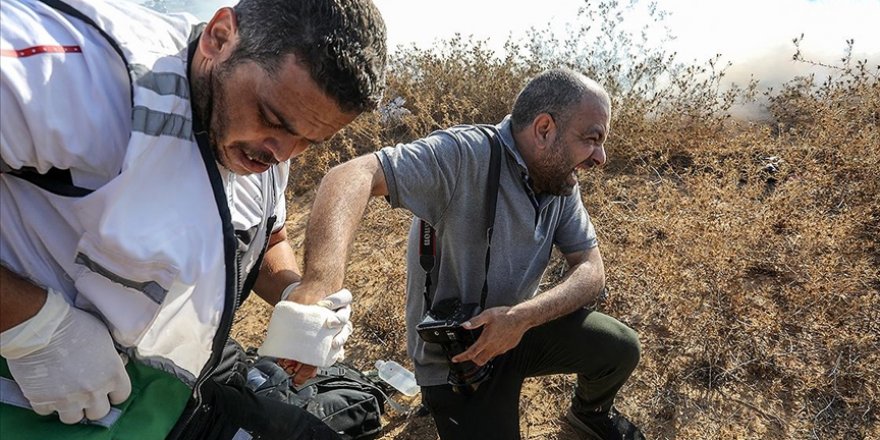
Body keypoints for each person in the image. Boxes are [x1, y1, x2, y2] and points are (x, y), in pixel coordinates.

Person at [0, 0, 386, 438]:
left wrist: (295, 295)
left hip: (175, 379)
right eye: (272, 119)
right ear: (220, 37)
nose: (281, 154)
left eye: (309, 142)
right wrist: (31, 325)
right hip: (43, 395)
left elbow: (264, 233)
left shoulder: (273, 128)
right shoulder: (71, 73)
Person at [293, 68, 644, 439]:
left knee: (620, 348)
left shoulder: (559, 179)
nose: (601, 157)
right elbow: (351, 174)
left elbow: (591, 269)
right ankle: (441, 400)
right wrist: (319, 288)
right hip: (457, 359)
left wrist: (522, 317)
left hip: (517, 331)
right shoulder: (465, 154)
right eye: (591, 139)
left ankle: (590, 414)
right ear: (544, 129)